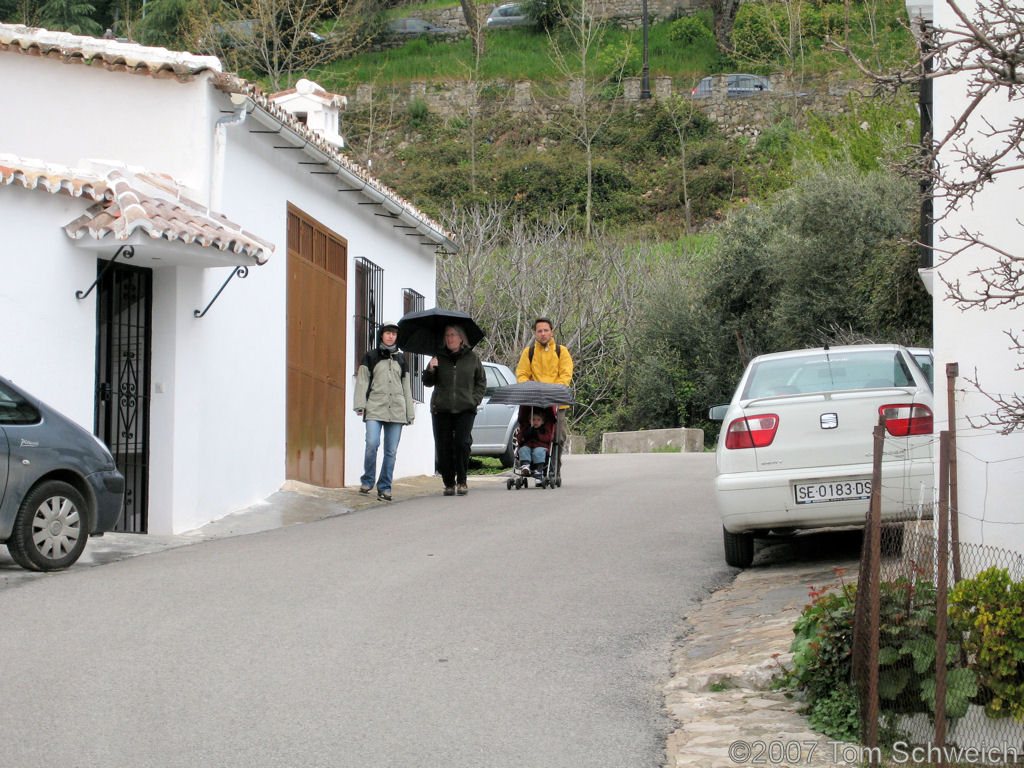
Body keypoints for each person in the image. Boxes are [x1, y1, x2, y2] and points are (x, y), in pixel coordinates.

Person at [353, 321, 415, 502]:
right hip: (375, 407)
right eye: (387, 333)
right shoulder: (371, 356)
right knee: (372, 443)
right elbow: (363, 381)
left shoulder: (401, 359)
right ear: (382, 335)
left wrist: (409, 413)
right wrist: (360, 405)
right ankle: (367, 480)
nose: (390, 336)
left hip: (397, 410)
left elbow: (406, 387)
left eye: (394, 334)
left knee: (391, 451)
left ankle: (385, 486)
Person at [423, 324, 486, 497]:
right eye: (447, 335)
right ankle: (449, 483)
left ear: (461, 338)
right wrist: (431, 369)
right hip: (441, 408)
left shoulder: (472, 358)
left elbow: (481, 381)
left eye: (453, 335)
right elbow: (427, 382)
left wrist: (473, 400)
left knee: (461, 443)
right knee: (443, 446)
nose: (449, 338)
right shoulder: (438, 357)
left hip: (465, 408)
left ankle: (462, 480)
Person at [515, 317, 574, 448]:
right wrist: (532, 389)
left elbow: (565, 374)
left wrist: (552, 391)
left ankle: (554, 468)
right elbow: (522, 374)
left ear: (551, 332)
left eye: (546, 330)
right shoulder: (528, 352)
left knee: (558, 438)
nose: (543, 333)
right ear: (535, 333)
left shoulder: (561, 351)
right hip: (534, 401)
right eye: (539, 331)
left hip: (557, 402)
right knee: (531, 435)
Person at [515, 407, 556, 481]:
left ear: (543, 422)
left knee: (538, 452)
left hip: (540, 446)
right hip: (528, 446)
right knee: (523, 449)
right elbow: (520, 439)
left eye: (538, 420)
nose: (535, 422)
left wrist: (538, 436)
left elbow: (548, 439)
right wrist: (525, 436)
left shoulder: (544, 429)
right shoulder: (527, 428)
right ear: (529, 420)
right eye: (533, 419)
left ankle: (539, 471)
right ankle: (525, 465)